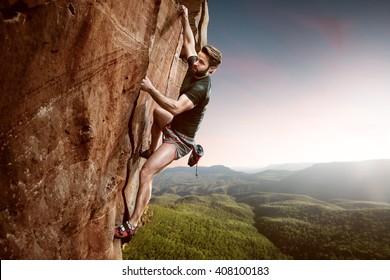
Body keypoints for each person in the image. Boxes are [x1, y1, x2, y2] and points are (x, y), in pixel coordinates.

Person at [114, 5, 222, 239]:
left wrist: (151, 88)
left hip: (180, 141)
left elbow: (174, 106)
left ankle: (132, 225)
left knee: (146, 173)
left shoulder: (201, 87)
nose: (195, 64)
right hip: (174, 125)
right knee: (156, 114)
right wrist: (185, 17)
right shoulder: (196, 66)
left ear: (211, 70)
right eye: (198, 60)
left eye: (202, 63)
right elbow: (189, 43)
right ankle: (152, 148)